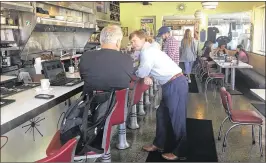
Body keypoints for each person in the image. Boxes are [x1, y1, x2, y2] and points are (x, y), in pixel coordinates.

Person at [129, 30, 188, 161]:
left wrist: (138, 73)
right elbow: (148, 69)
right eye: (131, 41)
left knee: (177, 120)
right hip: (169, 84)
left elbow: (143, 70)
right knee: (161, 114)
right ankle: (159, 144)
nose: (133, 44)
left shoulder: (147, 52)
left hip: (175, 83)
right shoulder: (150, 49)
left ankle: (180, 152)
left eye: (135, 40)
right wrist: (146, 75)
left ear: (143, 39)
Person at [79, 25, 134, 94]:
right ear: (118, 42)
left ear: (100, 40)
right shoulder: (127, 59)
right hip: (118, 102)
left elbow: (82, 77)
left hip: (90, 102)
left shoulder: (86, 56)